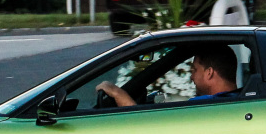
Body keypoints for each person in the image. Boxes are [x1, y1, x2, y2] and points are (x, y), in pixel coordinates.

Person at [96, 43, 239, 107]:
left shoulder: (204, 107)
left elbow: (147, 133)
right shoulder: (237, 100)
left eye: (194, 70)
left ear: (209, 73)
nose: (191, 77)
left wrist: (117, 93)